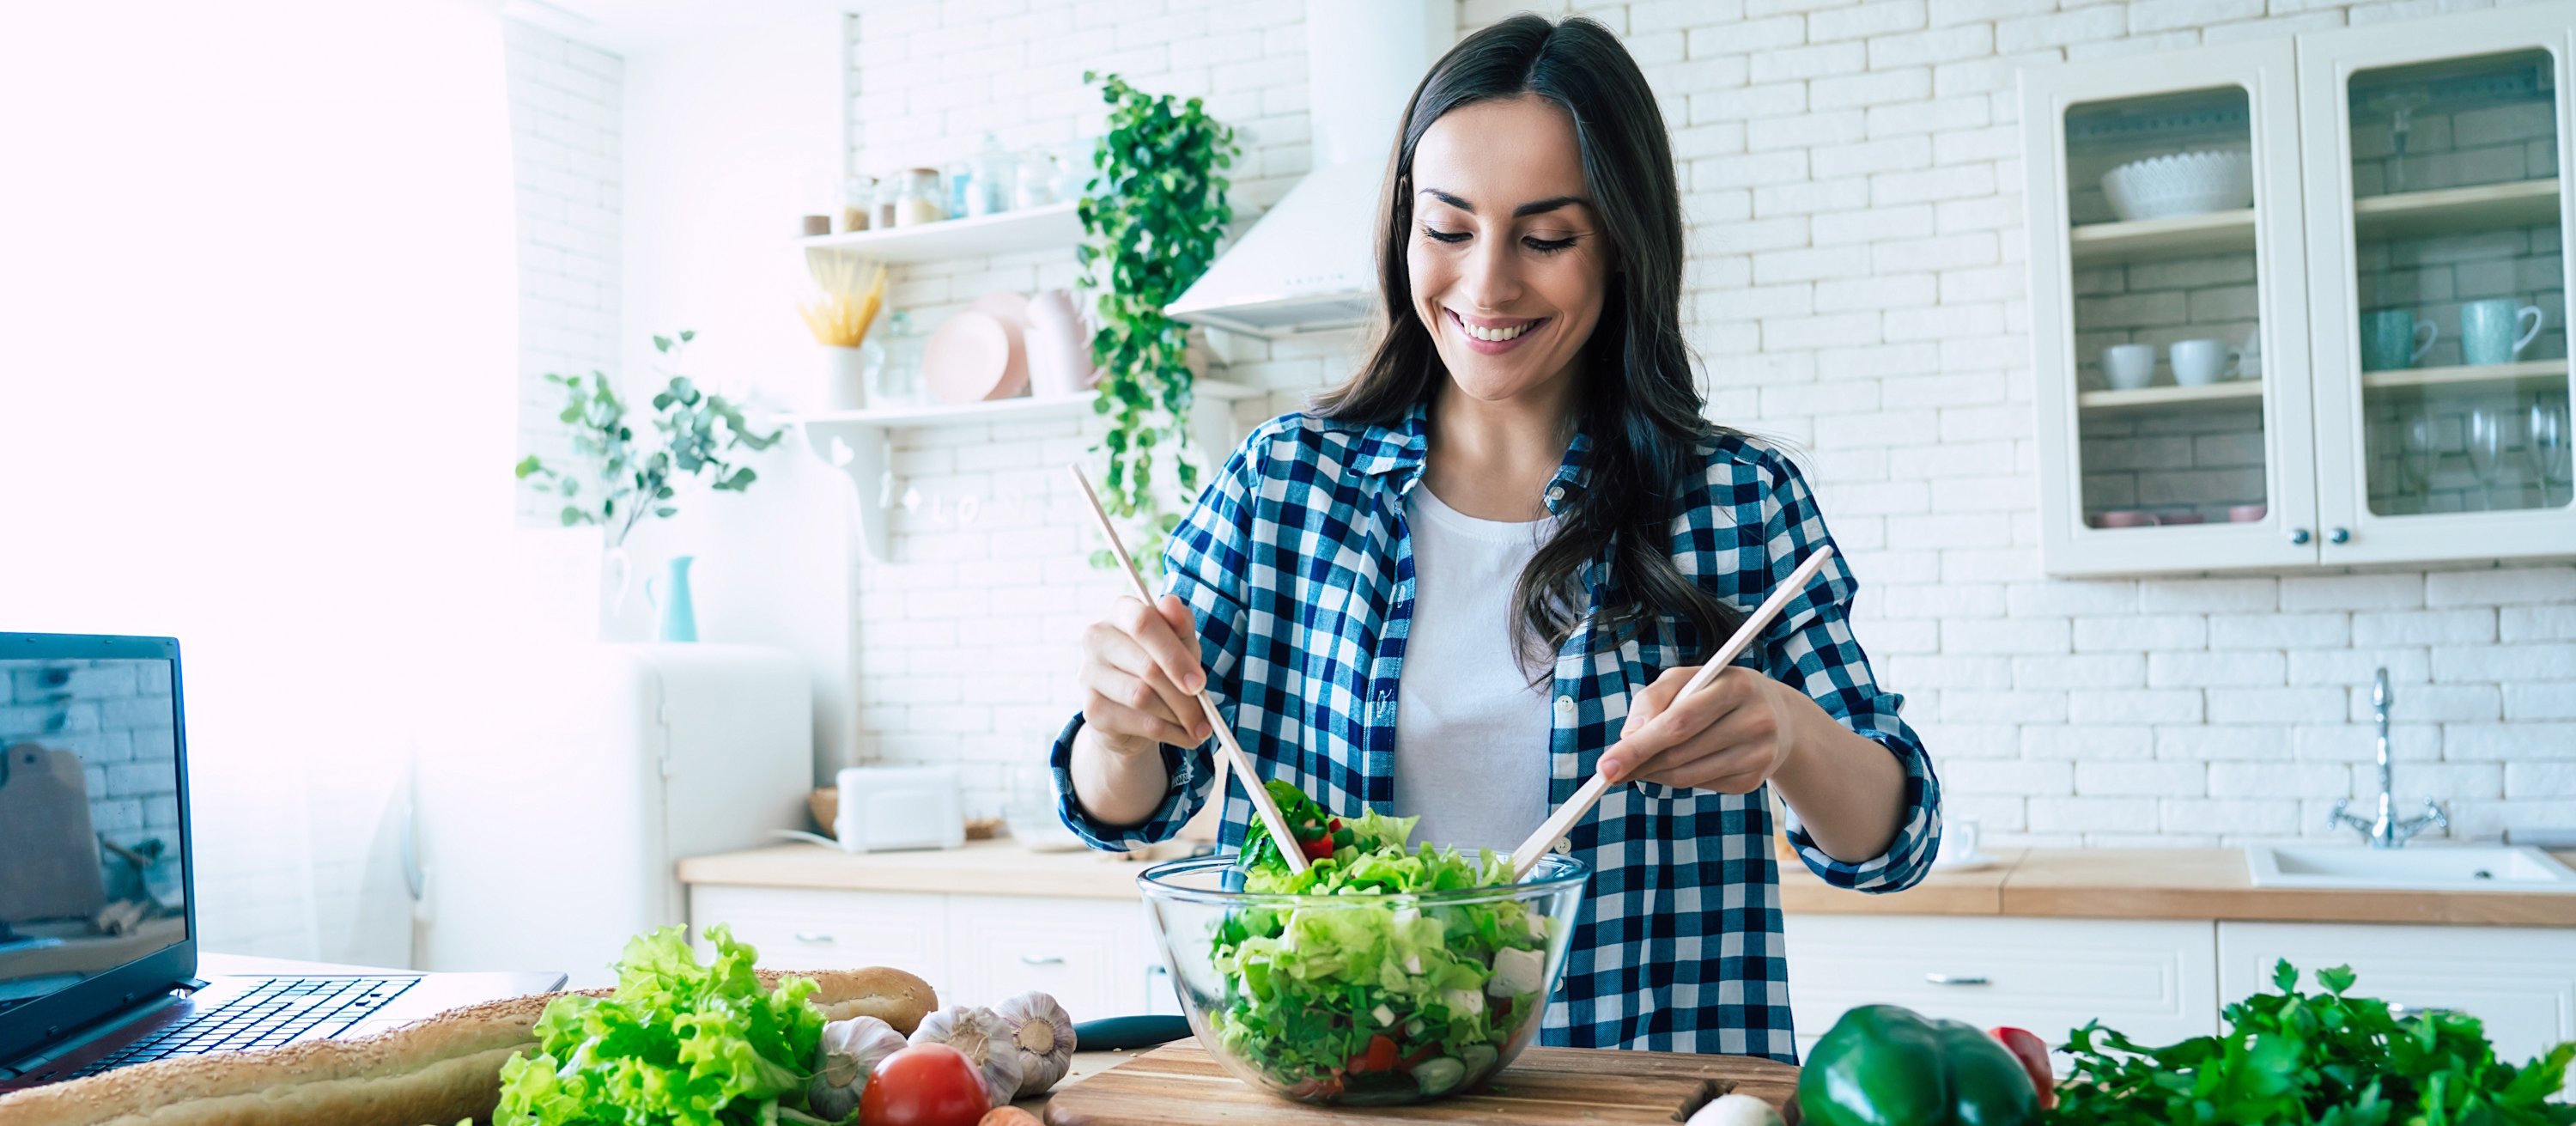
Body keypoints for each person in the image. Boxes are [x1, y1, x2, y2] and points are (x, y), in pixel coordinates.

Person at [1048, 13, 1939, 1062]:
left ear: (1623, 245)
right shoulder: (1283, 483)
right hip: (1332, 1082)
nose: (1487, 285)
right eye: (1449, 229)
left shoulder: (1738, 502)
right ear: (1402, 232)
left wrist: (1789, 735)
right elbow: (1134, 814)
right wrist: (1115, 727)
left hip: (1633, 1084)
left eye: (1547, 238)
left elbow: (1893, 842)